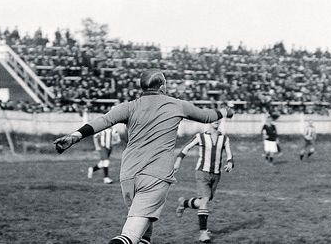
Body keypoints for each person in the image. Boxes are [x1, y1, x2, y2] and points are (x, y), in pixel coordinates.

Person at [52, 70, 233, 244]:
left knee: (144, 230)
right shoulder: (177, 105)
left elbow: (103, 121)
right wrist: (226, 112)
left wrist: (75, 136)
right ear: (162, 86)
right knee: (130, 235)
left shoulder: (130, 106)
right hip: (155, 175)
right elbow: (208, 116)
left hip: (128, 176)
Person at [173, 120, 233, 243]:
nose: (216, 121)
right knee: (205, 200)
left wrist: (230, 163)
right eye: (214, 118)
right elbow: (186, 147)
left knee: (203, 202)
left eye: (219, 118)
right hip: (202, 173)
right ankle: (203, 233)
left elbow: (229, 154)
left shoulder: (225, 138)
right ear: (210, 120)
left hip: (216, 174)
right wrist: (178, 160)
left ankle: (183, 203)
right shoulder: (200, 136)